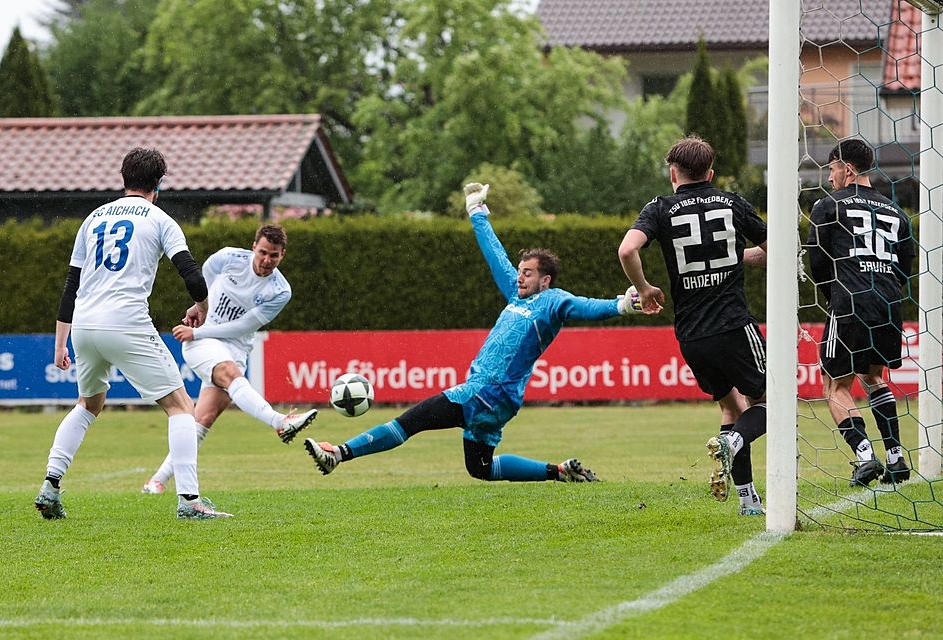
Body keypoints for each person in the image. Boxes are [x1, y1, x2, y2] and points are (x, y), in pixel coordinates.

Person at [302, 182, 643, 482]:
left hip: (485, 391)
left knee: (410, 422)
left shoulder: (553, 301)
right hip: (499, 399)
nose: (520, 276)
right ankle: (560, 471)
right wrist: (476, 211)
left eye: (527, 273)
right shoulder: (517, 295)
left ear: (546, 280)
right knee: (481, 468)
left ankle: (339, 454)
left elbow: (585, 306)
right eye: (520, 271)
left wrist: (622, 305)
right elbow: (495, 255)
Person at [34, 147, 232, 520]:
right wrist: (202, 307)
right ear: (158, 184)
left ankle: (50, 485)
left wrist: (60, 344)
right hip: (125, 322)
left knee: (88, 404)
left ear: (124, 179)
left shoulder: (93, 218)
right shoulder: (160, 219)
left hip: (84, 326)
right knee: (181, 407)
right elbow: (191, 274)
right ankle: (190, 502)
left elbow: (70, 286)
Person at [618, 136, 769, 516]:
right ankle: (733, 443)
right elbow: (775, 249)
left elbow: (627, 249)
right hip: (734, 325)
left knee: (731, 408)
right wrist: (734, 257)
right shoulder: (732, 203)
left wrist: (644, 289)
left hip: (691, 334)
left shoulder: (659, 208)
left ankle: (748, 500)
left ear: (674, 174)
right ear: (710, 173)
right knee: (771, 403)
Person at [141, 225, 318, 494]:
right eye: (262, 252)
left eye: (274, 255)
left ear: (282, 255)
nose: (266, 260)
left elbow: (242, 327)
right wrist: (199, 310)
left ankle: (156, 481)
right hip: (201, 342)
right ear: (253, 247)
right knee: (231, 374)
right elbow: (205, 278)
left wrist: (198, 330)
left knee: (204, 417)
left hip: (232, 346)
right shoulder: (228, 258)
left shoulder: (280, 291)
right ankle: (280, 422)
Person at [806, 139, 914, 487]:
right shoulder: (895, 211)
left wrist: (836, 297)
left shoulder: (828, 205)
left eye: (832, 169)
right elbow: (905, 264)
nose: (830, 177)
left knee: (834, 384)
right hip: (888, 303)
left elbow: (818, 261)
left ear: (848, 169)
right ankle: (896, 457)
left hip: (850, 301)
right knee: (873, 376)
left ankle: (865, 456)